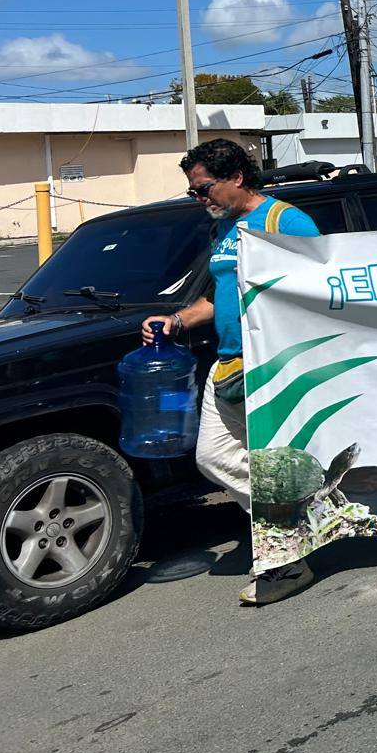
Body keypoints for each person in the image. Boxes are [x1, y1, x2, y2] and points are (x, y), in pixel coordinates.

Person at [142, 139, 320, 606]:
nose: (200, 199)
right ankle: (306, 513)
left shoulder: (286, 222)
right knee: (214, 457)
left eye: (204, 189)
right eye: (193, 192)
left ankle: (286, 561)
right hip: (229, 363)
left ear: (237, 178)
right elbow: (217, 298)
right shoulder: (221, 230)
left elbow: (322, 293)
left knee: (265, 462)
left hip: (271, 365)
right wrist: (177, 320)